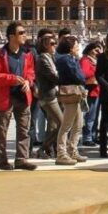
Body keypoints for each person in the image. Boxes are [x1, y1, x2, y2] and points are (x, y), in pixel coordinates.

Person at [0, 22, 37, 170]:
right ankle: (1, 160)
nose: (25, 35)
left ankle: (21, 159)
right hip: (6, 96)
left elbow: (30, 72)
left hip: (22, 95)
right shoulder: (0, 54)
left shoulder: (27, 54)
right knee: (2, 129)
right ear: (11, 36)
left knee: (24, 129)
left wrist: (28, 81)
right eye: (21, 33)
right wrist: (12, 79)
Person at [55, 35, 87, 164]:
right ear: (70, 47)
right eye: (76, 45)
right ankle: (61, 153)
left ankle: (72, 149)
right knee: (67, 125)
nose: (78, 47)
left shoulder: (68, 58)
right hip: (70, 93)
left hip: (75, 93)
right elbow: (79, 75)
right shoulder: (66, 60)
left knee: (78, 124)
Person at [34, 30, 62, 159]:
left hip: (53, 94)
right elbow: (54, 77)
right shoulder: (42, 59)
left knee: (53, 125)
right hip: (48, 96)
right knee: (62, 123)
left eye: (55, 43)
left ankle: (47, 149)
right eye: (52, 43)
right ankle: (43, 148)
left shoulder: (51, 57)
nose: (55, 45)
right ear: (45, 45)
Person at [79, 41, 101, 147]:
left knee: (95, 116)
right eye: (96, 50)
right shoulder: (86, 60)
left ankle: (93, 135)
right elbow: (84, 73)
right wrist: (95, 74)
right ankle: (87, 137)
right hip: (90, 90)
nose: (97, 52)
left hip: (97, 91)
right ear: (90, 50)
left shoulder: (96, 61)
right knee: (90, 116)